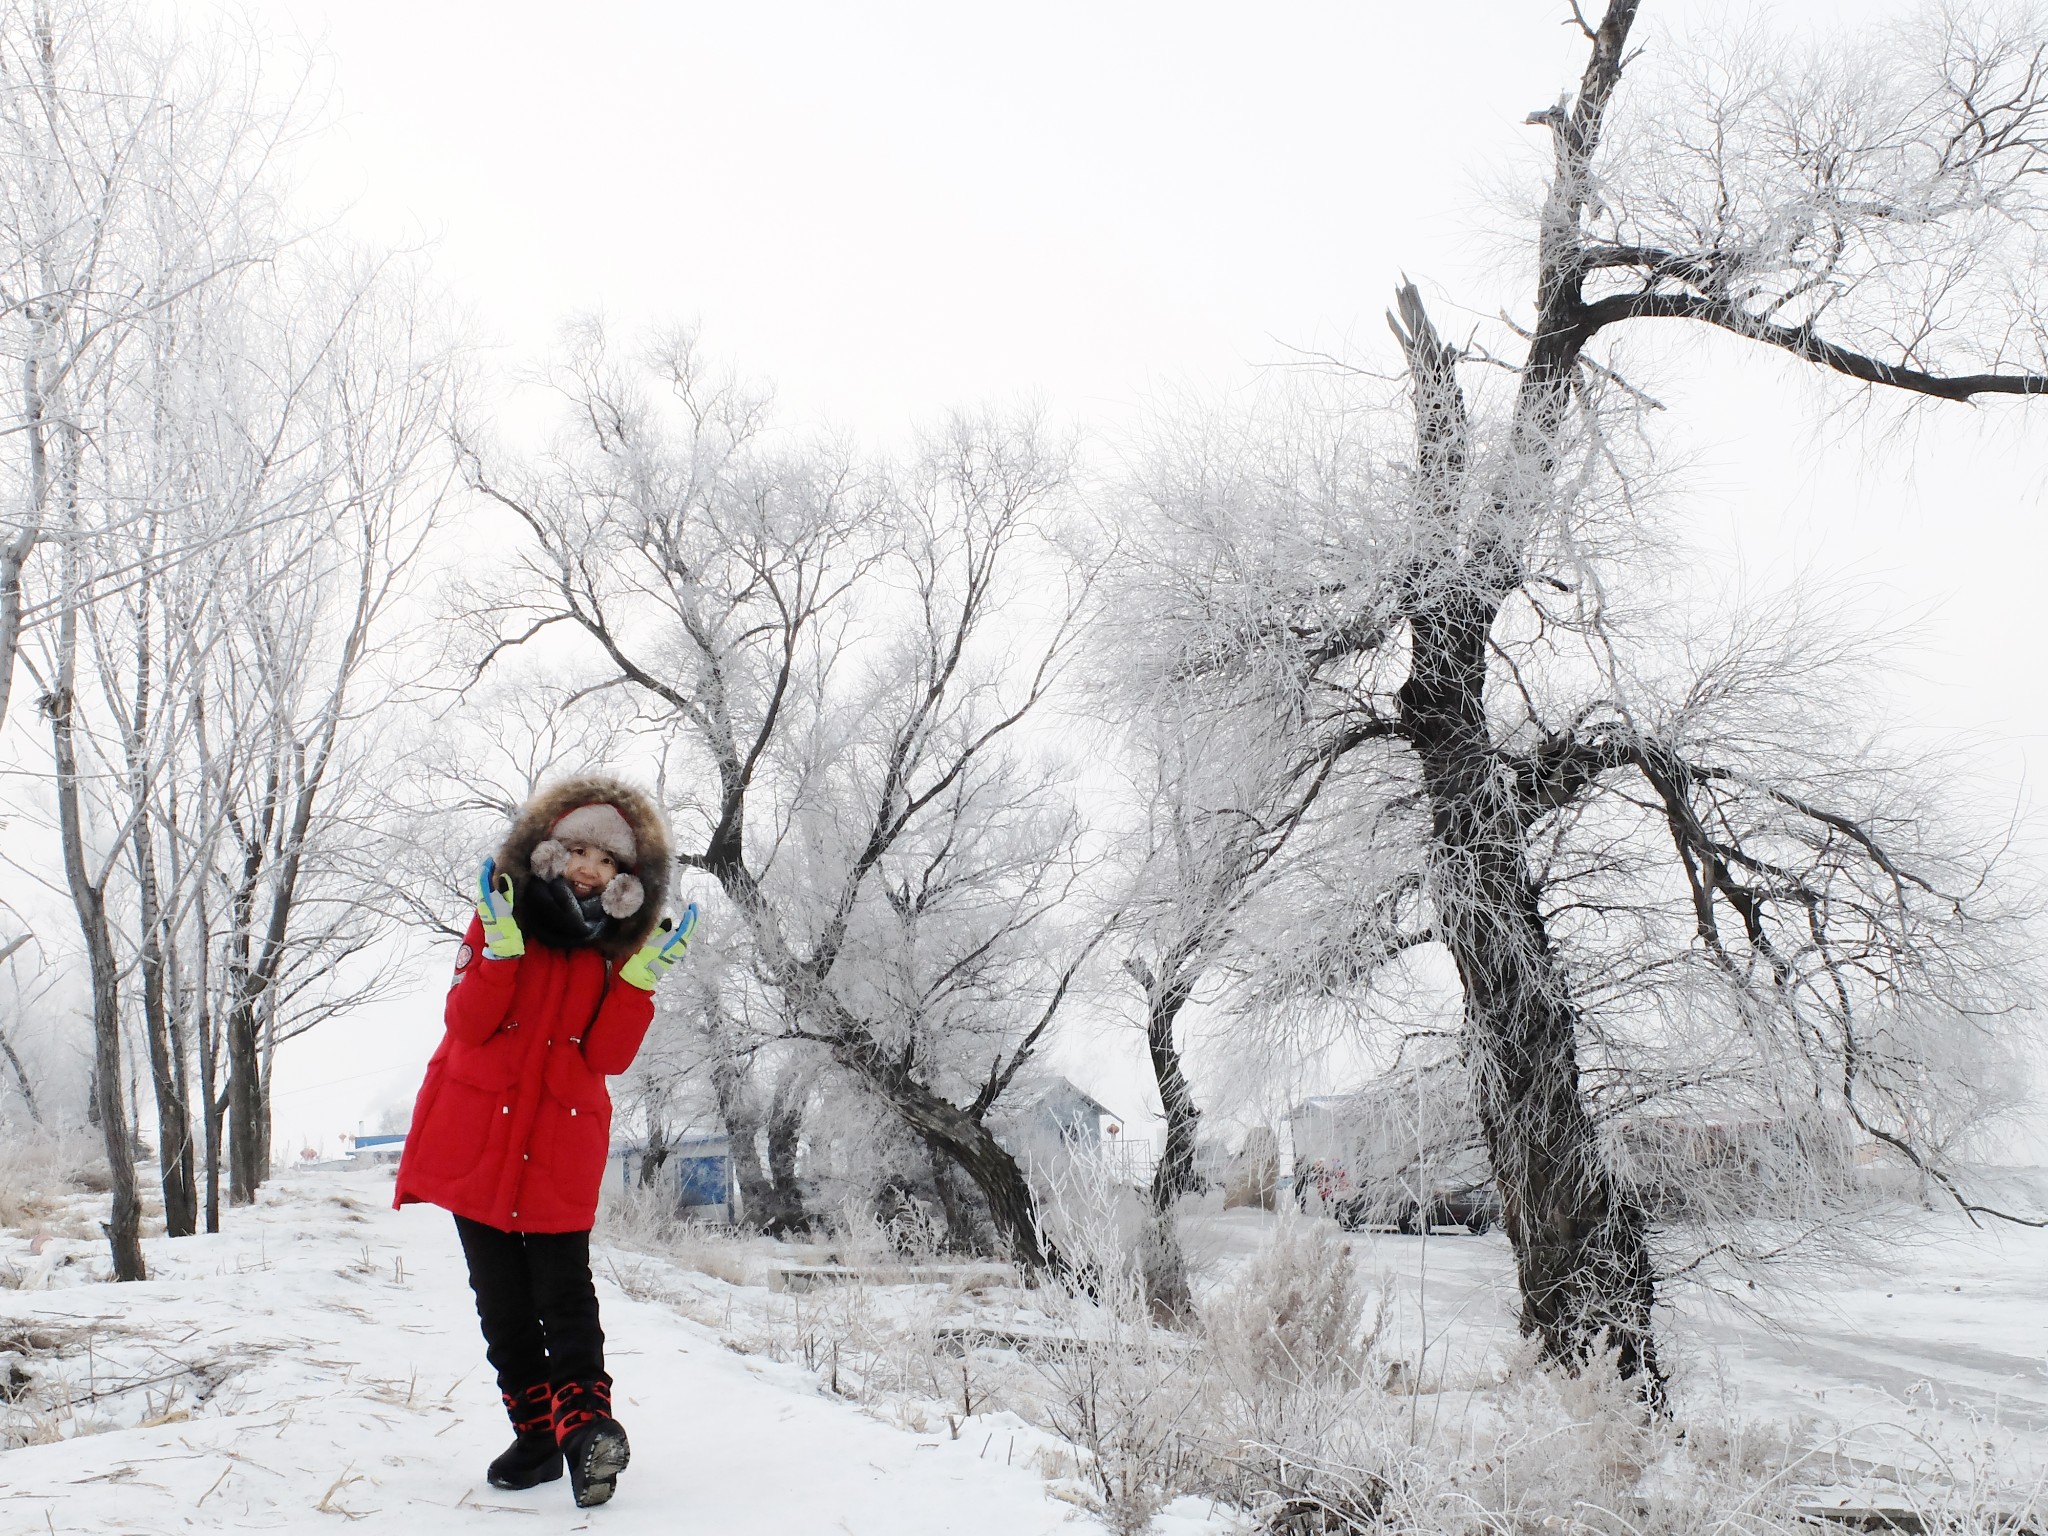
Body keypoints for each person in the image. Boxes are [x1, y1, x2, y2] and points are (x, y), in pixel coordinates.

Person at [394, 776, 699, 1508]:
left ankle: (587, 1431)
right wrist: (498, 949)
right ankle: (535, 1439)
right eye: (579, 848)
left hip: (560, 1147)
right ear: (549, 851)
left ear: (628, 881)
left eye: (610, 859)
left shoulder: (614, 955)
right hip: (479, 1144)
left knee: (565, 1296)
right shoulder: (501, 920)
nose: (591, 865)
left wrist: (640, 983)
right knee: (500, 1301)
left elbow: (606, 1057)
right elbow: (467, 1025)